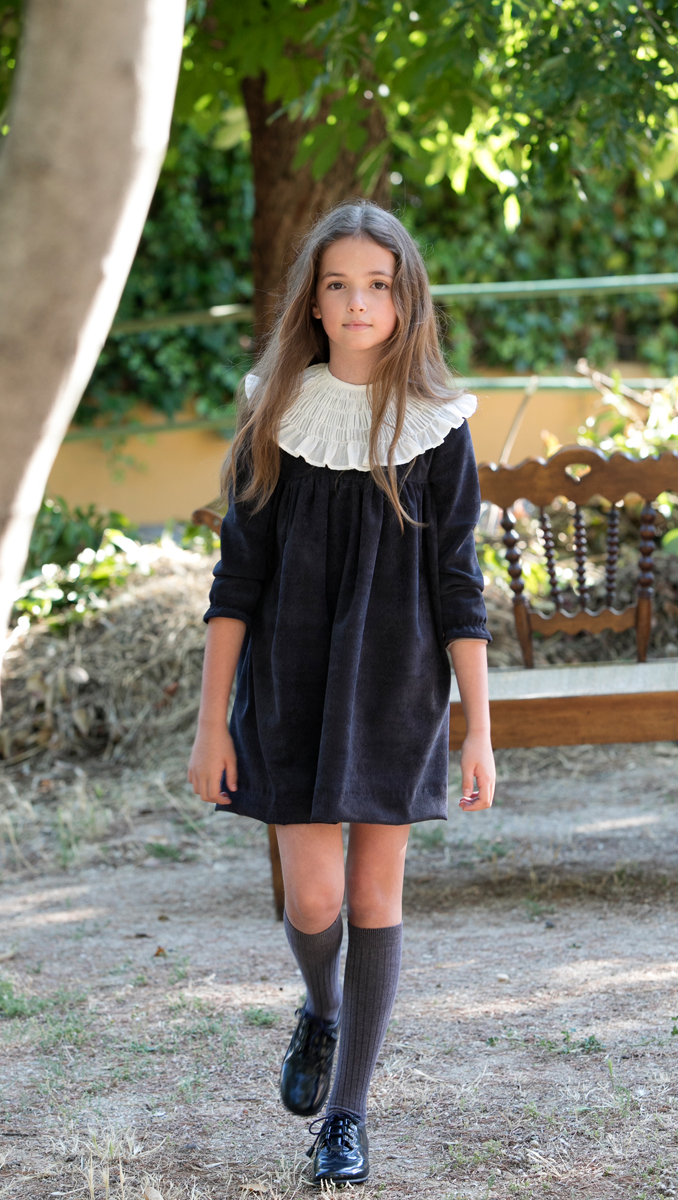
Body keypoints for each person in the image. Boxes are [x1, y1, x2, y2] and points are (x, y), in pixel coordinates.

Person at [188, 201, 495, 1185]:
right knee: (314, 898)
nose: (358, 302)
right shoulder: (272, 414)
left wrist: (477, 729)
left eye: (377, 284)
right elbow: (235, 583)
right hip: (287, 687)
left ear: (406, 301)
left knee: (372, 895)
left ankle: (347, 1117)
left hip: (397, 689)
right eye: (337, 284)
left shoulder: (438, 428)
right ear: (312, 304)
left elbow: (459, 587)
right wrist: (210, 725)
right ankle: (321, 1009)